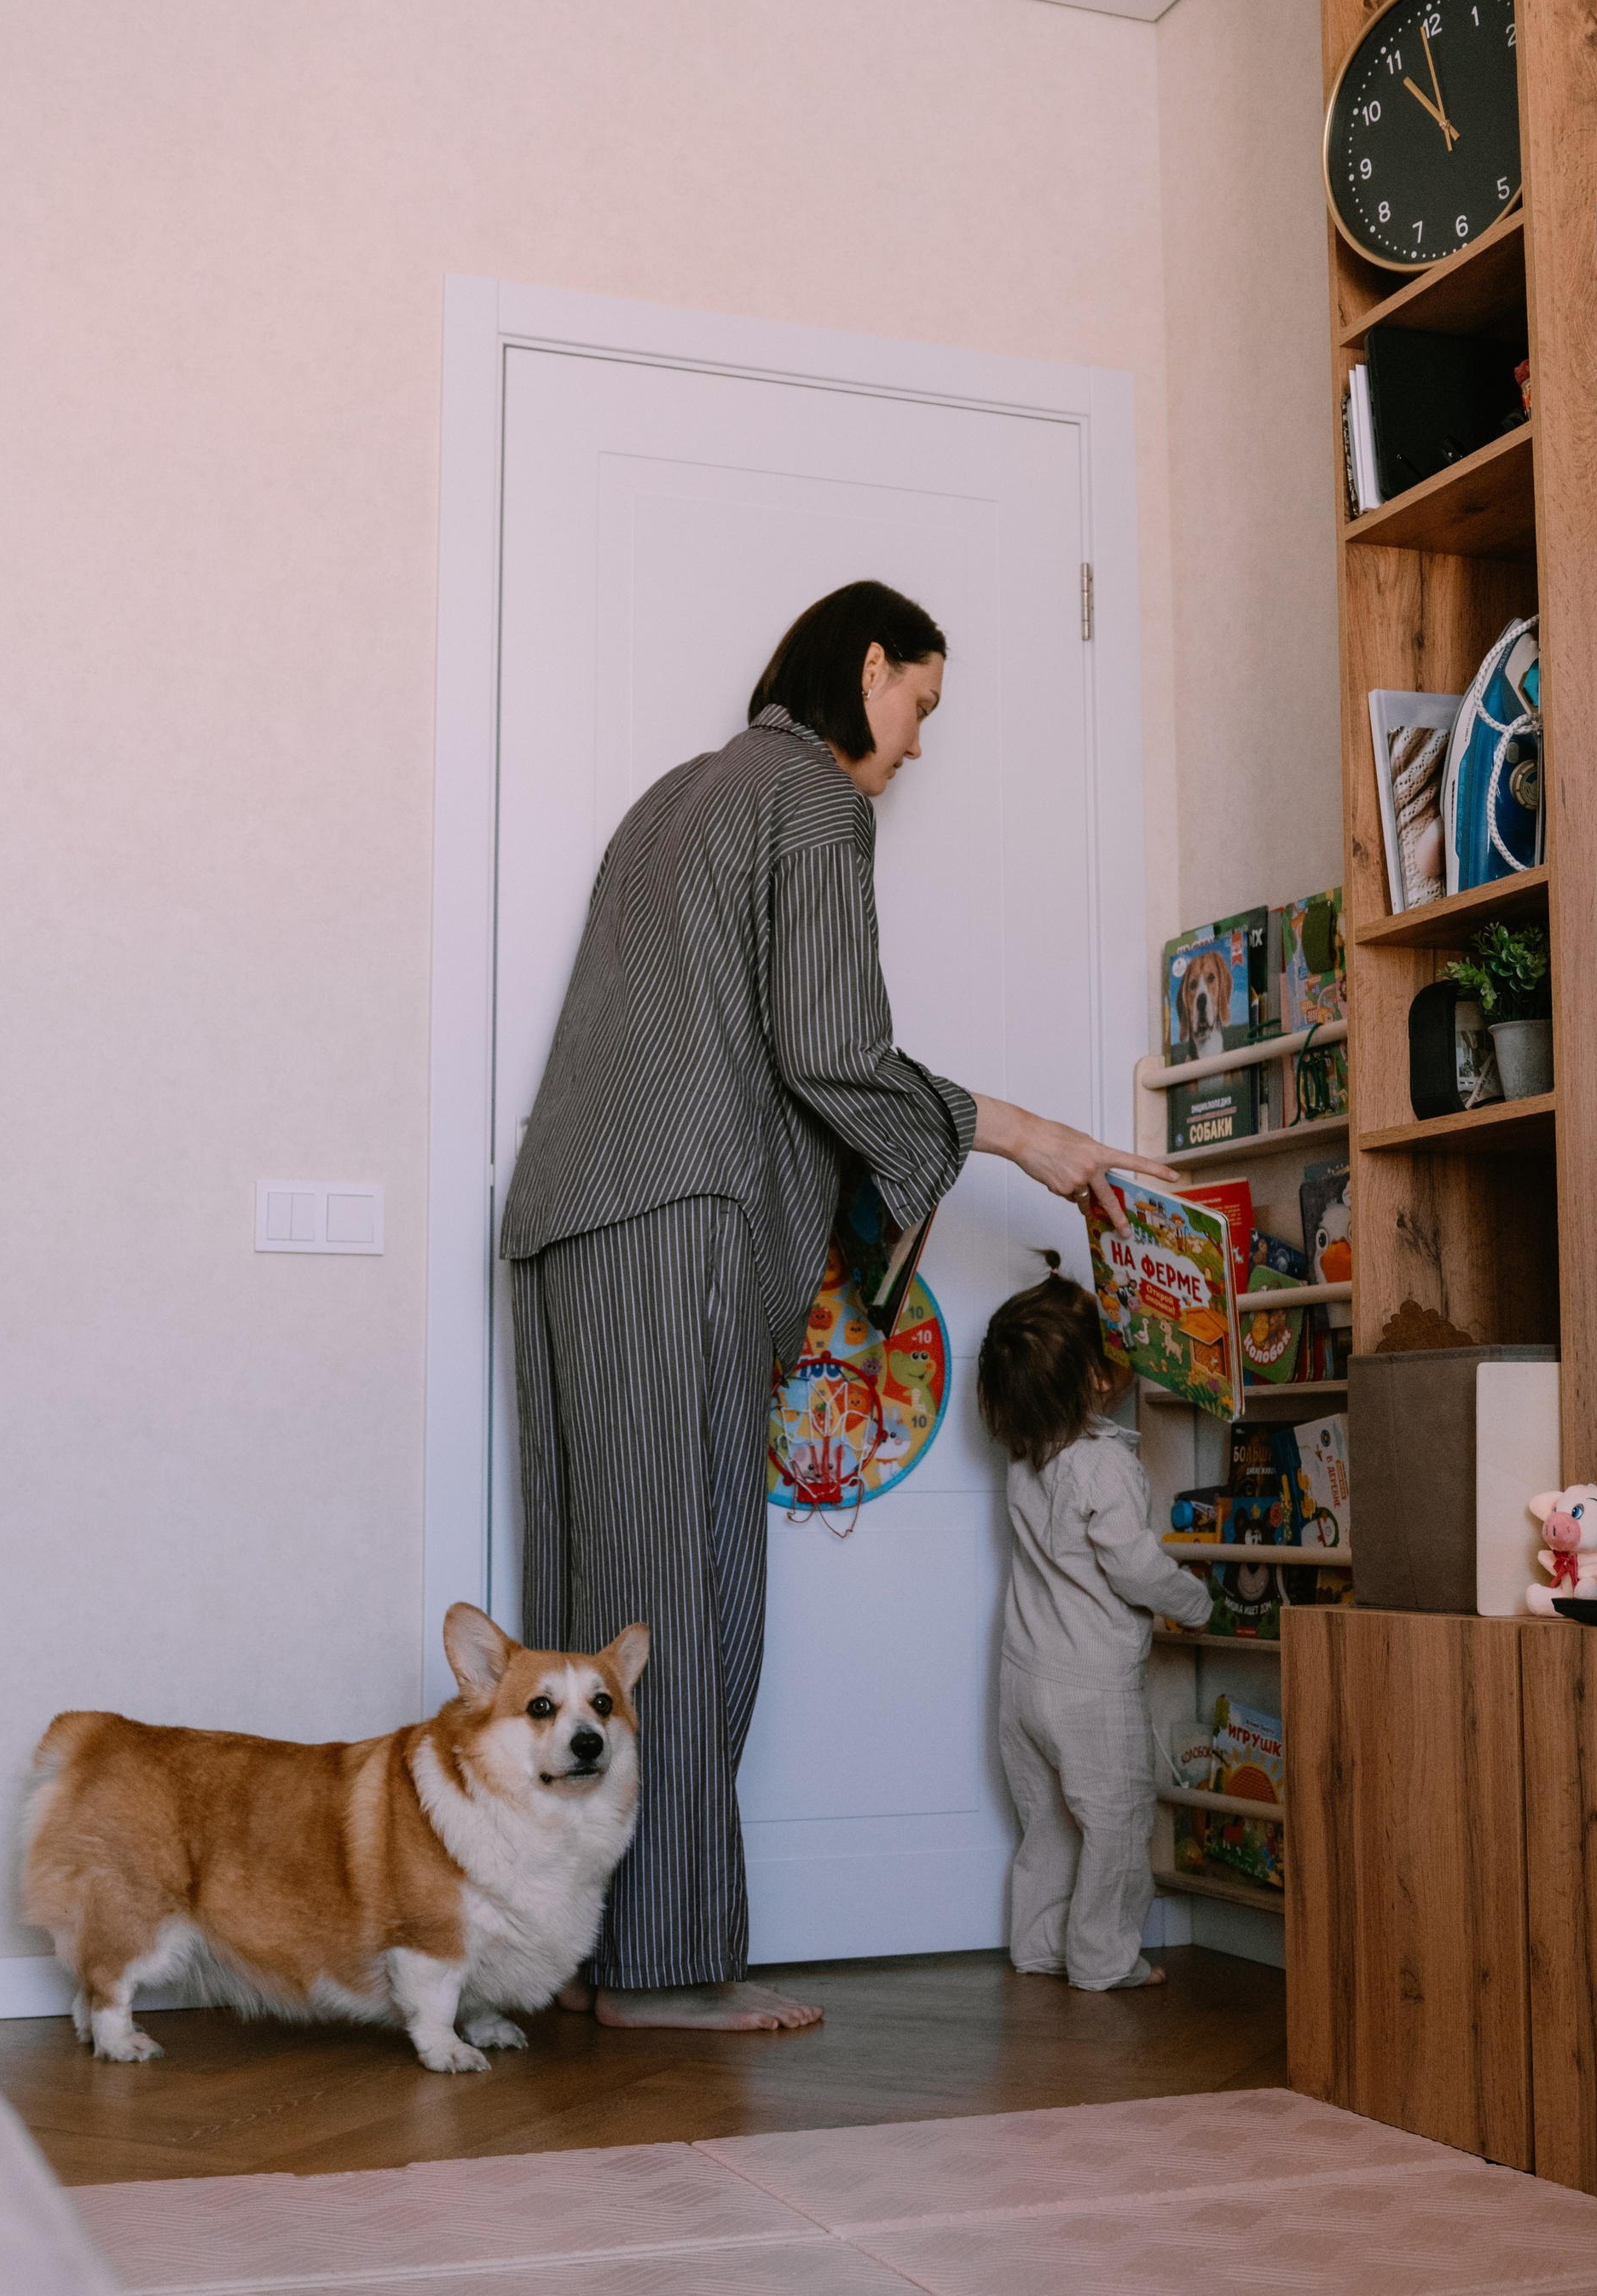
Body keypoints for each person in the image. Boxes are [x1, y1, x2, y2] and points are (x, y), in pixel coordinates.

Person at [501, 580, 1173, 2032]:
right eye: (920, 705)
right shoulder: (811, 794)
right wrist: (1034, 1139)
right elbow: (831, 1048)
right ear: (868, 669)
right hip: (673, 1219)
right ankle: (667, 1970)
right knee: (681, 1600)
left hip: (563, 1221)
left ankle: (574, 1951)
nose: (918, 746)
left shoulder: (670, 800)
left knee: (581, 1620)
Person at [977, 1254, 1212, 1991]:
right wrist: (1194, 1600)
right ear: (1096, 1380)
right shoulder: (1104, 1467)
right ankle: (1103, 1959)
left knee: (1048, 1823)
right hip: (1090, 1688)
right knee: (1115, 1820)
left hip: (1023, 1679)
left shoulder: (1024, 1459)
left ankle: (1041, 1944)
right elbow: (1134, 1567)